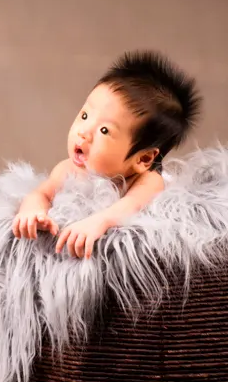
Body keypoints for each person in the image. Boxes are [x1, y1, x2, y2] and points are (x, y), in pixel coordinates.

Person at [12, 50, 201, 259]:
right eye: (85, 115)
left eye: (104, 130)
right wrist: (32, 211)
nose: (83, 132)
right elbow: (41, 194)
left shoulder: (149, 180)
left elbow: (129, 206)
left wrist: (98, 222)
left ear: (143, 159)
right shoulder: (68, 169)